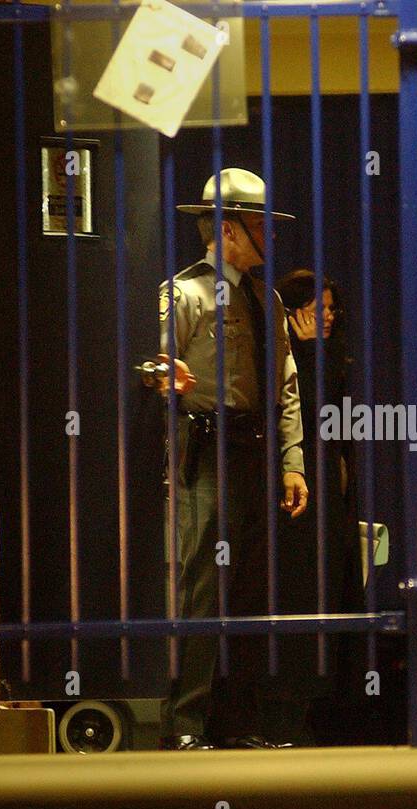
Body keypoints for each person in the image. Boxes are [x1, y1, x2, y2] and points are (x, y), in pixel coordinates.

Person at [144, 168, 309, 750]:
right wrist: (166, 377)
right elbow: (154, 366)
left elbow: (286, 385)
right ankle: (184, 728)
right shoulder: (184, 293)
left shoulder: (267, 297)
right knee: (201, 589)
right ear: (228, 229)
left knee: (249, 593)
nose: (269, 232)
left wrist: (293, 462)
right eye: (260, 222)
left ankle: (237, 725)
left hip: (256, 453)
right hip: (208, 449)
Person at [265, 270, 365, 745]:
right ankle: (292, 712)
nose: (325, 316)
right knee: (301, 588)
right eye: (316, 308)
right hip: (299, 481)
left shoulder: (334, 353)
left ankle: (335, 710)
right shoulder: (287, 352)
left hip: (335, 484)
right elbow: (303, 412)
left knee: (339, 585)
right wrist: (307, 354)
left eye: (331, 308)